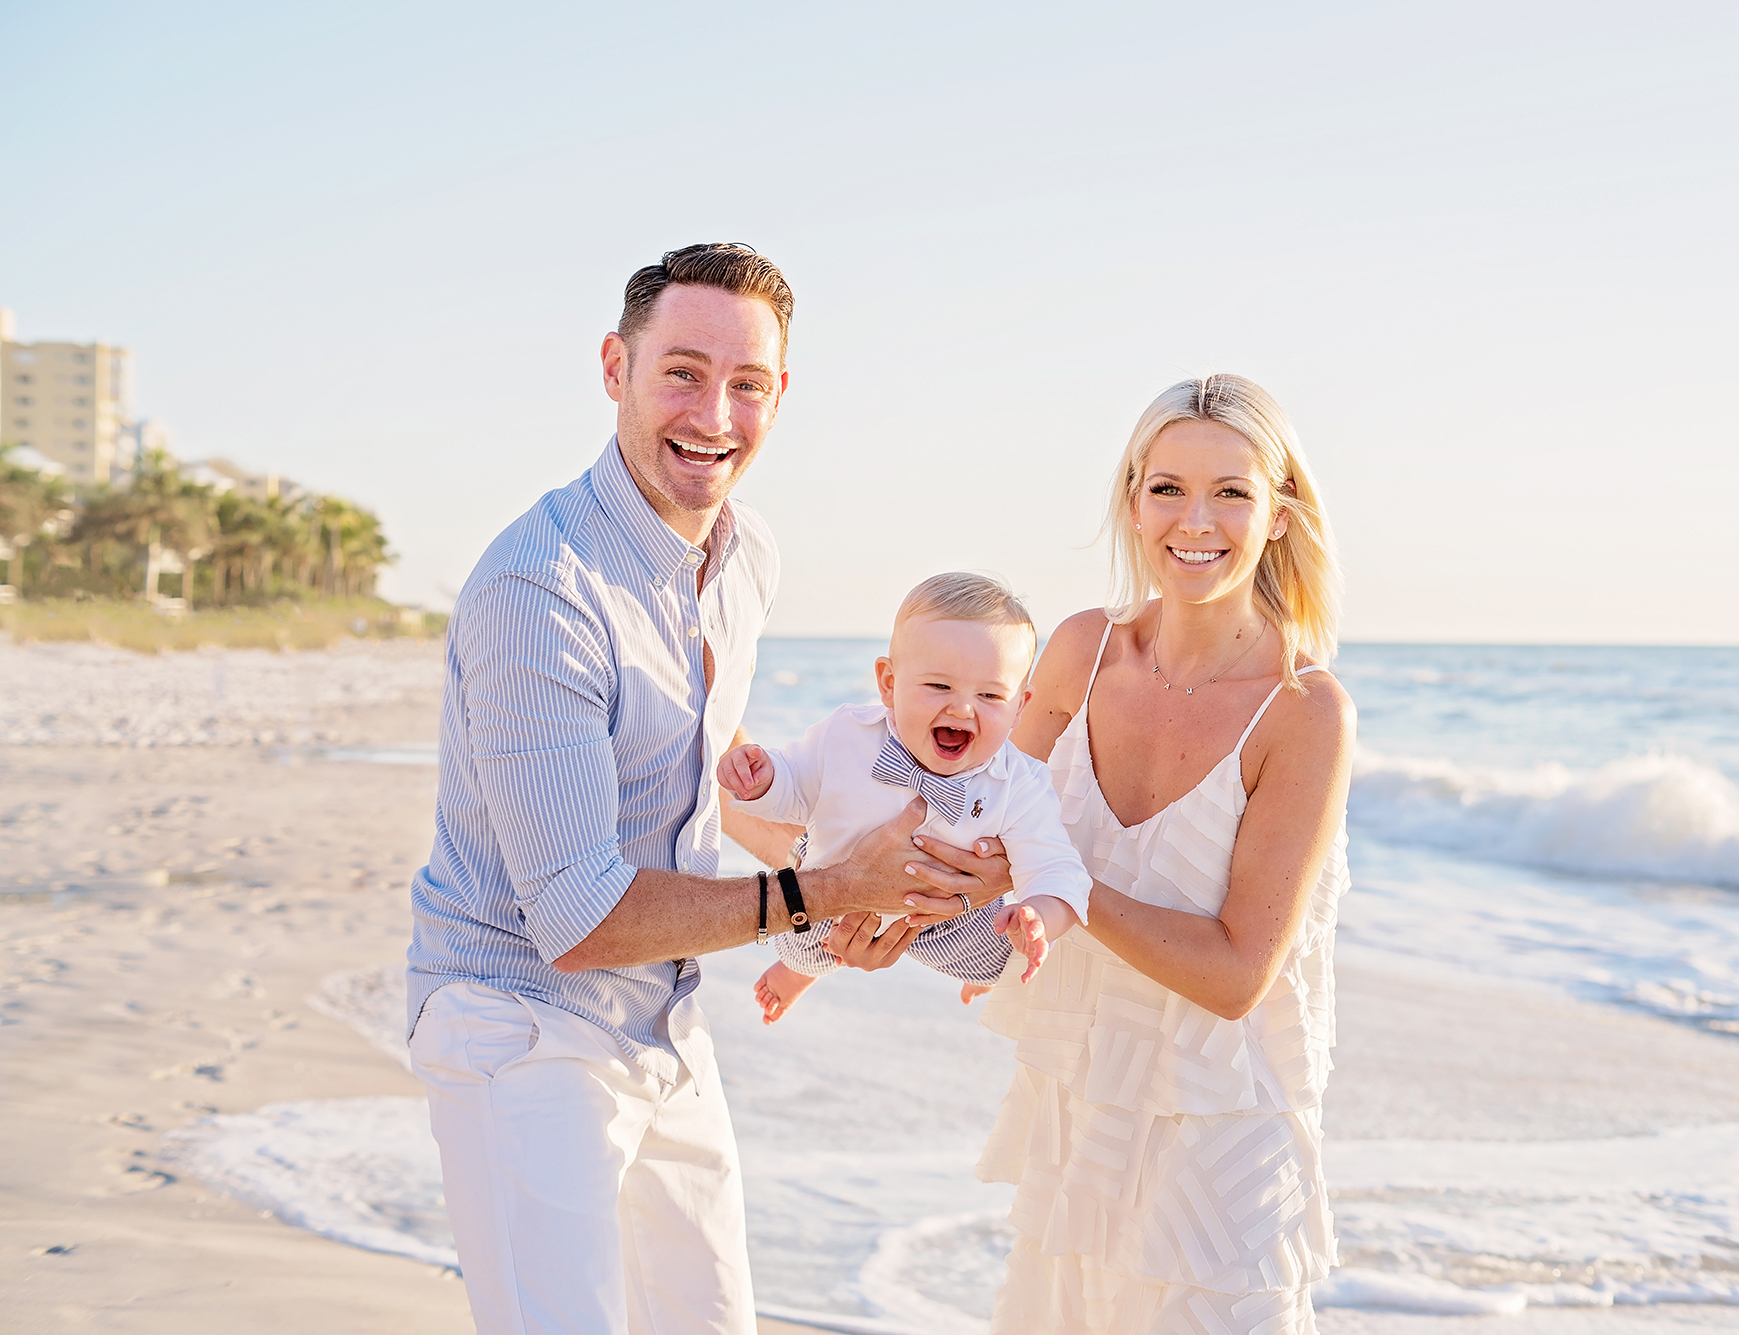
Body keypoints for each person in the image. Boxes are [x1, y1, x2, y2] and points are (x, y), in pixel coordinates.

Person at [402, 243, 1012, 1335]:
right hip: (519, 1021)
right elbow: (579, 918)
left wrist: (884, 894)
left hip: (666, 1016)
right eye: (681, 373)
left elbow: (708, 777)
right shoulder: (539, 591)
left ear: (780, 395)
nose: (714, 414)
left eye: (747, 384)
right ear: (615, 368)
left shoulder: (746, 556)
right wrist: (824, 892)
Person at [969, 374, 1355, 1332]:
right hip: (1080, 1113)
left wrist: (1064, 883)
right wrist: (831, 893)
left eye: (1232, 492)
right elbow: (983, 836)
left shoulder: (1304, 711)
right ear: (1134, 501)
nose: (1197, 520)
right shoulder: (1079, 651)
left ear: (1278, 513)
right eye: (1170, 487)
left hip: (1224, 1149)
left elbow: (1236, 974)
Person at [717, 571, 1093, 1023]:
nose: (962, 708)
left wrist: (1038, 917)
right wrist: (763, 780)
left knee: (1001, 963)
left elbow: (1055, 868)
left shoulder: (1020, 783)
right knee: (799, 944)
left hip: (947, 911)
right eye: (939, 686)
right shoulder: (847, 735)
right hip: (836, 885)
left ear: (1020, 707)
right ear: (889, 683)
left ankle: (985, 966)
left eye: (991, 694)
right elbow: (794, 787)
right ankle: (798, 972)